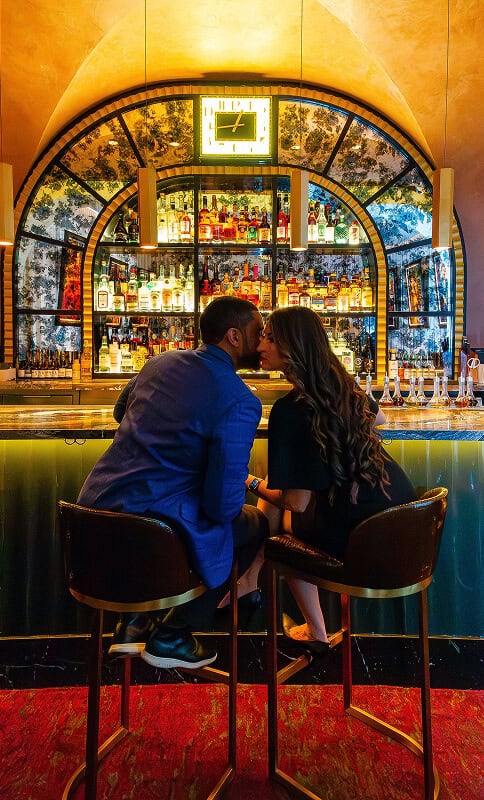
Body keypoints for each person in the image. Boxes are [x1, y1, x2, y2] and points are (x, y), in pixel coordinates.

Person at [78, 296, 268, 669]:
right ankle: (174, 634)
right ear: (233, 336)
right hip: (151, 532)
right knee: (252, 523)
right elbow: (222, 506)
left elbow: (121, 411)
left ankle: (135, 621)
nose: (262, 342)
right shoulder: (240, 400)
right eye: (257, 333)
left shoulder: (160, 361)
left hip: (92, 514)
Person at [244, 307, 416, 652]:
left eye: (270, 337)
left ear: (294, 347)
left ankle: (256, 591)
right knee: (278, 502)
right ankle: (263, 595)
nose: (260, 344)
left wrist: (246, 482)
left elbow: (296, 501)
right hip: (403, 522)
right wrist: (338, 440)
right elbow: (378, 417)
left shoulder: (291, 409)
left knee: (279, 532)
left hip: (360, 539)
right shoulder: (339, 386)